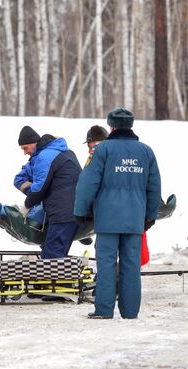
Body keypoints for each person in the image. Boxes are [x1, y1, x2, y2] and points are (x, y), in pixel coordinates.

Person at [74, 108, 161, 319]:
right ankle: (130, 312)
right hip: (134, 219)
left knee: (106, 263)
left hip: (107, 219)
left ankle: (104, 310)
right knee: (131, 265)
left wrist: (80, 211)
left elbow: (88, 182)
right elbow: (154, 186)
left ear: (111, 127)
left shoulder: (103, 151)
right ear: (130, 125)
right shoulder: (146, 152)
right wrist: (150, 216)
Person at [14, 126, 82, 259]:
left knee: (51, 258)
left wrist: (27, 205)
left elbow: (39, 187)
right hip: (71, 210)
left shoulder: (44, 157)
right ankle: (62, 279)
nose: (24, 152)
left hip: (62, 213)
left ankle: (56, 280)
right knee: (54, 255)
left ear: (34, 142)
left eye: (25, 148)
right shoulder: (63, 151)